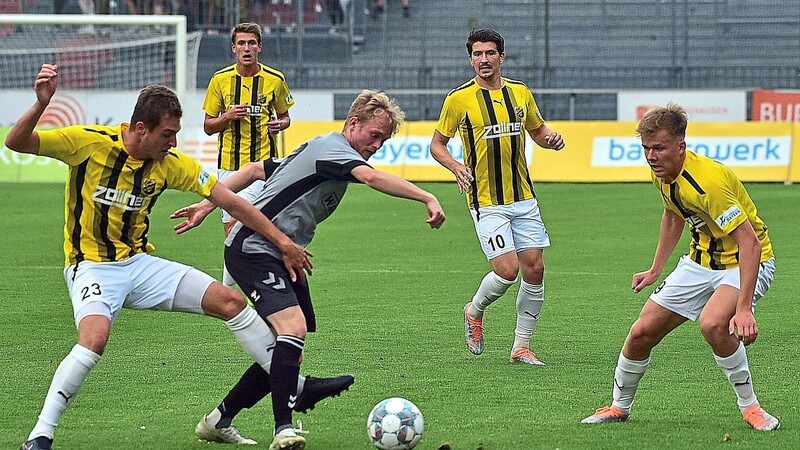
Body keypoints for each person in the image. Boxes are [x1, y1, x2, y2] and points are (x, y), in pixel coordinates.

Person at [8, 64, 345, 450]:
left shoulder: (171, 164)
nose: (173, 142)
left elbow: (233, 203)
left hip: (139, 264)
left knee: (231, 301)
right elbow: (17, 142)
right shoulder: (87, 143)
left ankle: (295, 388)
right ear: (140, 128)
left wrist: (281, 241)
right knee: (95, 339)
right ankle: (40, 435)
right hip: (91, 266)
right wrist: (40, 105)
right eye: (167, 134)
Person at [171, 90, 446, 449]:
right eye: (373, 135)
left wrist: (209, 206)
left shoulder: (323, 148)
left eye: (384, 139)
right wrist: (427, 196)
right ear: (353, 124)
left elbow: (257, 170)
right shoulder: (335, 151)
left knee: (287, 350)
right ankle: (284, 428)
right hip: (253, 247)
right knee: (292, 329)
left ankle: (220, 419)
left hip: (284, 252)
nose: (377, 145)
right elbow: (374, 179)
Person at [580, 103, 780, 431]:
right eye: (646, 148)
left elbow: (751, 243)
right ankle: (619, 407)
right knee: (641, 333)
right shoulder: (662, 171)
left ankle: (751, 408)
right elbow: (673, 213)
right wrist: (656, 269)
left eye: (659, 148)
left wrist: (744, 309)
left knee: (714, 324)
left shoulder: (708, 182)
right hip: (699, 262)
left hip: (743, 263)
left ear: (680, 146)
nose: (651, 156)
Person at [429, 28, 565, 366]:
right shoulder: (458, 99)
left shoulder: (520, 93)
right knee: (507, 271)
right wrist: (455, 166)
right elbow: (437, 145)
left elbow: (537, 129)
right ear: (471, 59)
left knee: (534, 269)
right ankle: (474, 310)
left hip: (523, 197)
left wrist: (550, 139)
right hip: (486, 200)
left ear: (501, 57)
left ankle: (521, 347)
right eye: (477, 54)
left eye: (490, 53)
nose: (484, 60)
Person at [203, 22, 295, 288]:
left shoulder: (274, 79)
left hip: (262, 169)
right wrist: (227, 117)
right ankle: (238, 288)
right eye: (241, 43)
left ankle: (232, 291)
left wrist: (281, 124)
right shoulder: (220, 80)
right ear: (233, 48)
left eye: (251, 43)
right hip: (229, 168)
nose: (246, 48)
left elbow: (285, 116)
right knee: (232, 233)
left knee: (237, 225)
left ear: (259, 47)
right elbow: (208, 126)